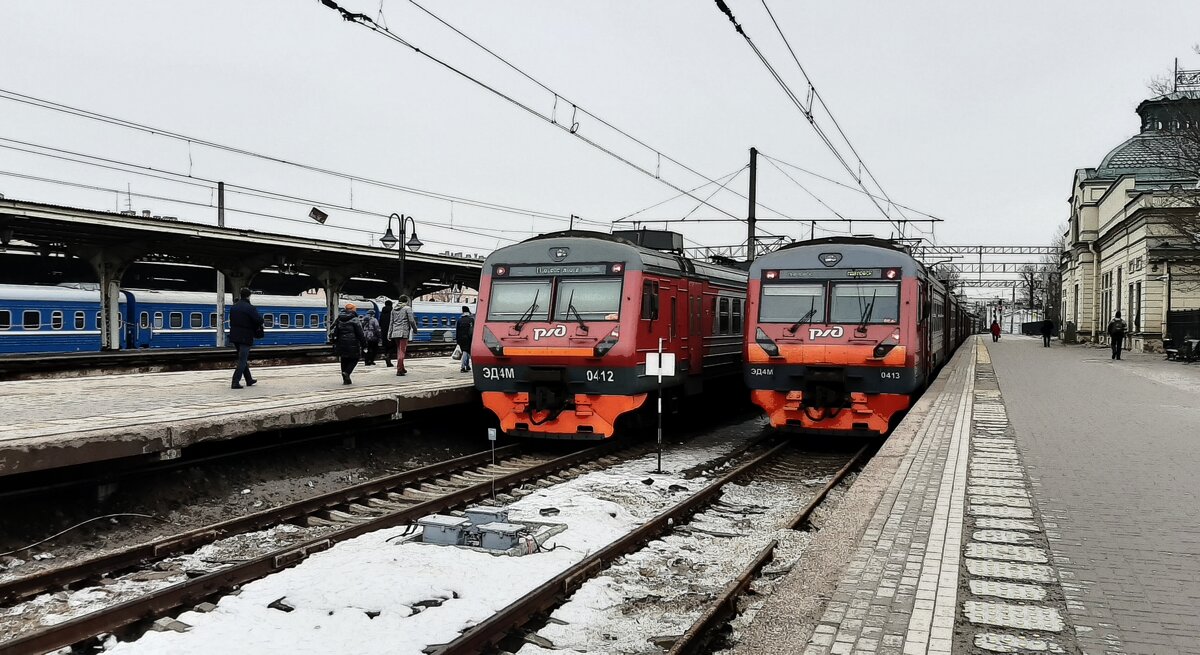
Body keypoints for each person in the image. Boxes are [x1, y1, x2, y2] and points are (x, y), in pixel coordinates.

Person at [228, 287, 264, 389]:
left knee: (242, 358)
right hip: (245, 336)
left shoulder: (234, 307)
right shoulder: (250, 308)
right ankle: (235, 382)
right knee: (242, 360)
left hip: (234, 336)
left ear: (241, 295)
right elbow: (259, 320)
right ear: (249, 296)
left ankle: (249, 379)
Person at [331, 302, 367, 384]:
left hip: (341, 342)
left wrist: (335, 341)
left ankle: (345, 379)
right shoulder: (355, 319)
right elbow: (360, 333)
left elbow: (335, 331)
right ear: (353, 309)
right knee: (355, 358)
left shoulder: (339, 318)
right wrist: (364, 344)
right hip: (352, 342)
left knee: (344, 359)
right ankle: (347, 373)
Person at [387, 295, 418, 376]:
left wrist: (389, 334)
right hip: (403, 332)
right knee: (402, 351)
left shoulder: (393, 309)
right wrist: (415, 329)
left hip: (395, 333)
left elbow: (391, 322)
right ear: (406, 301)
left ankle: (402, 367)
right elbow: (411, 320)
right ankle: (399, 370)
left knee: (399, 350)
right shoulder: (407, 308)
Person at [455, 305, 475, 373]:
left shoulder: (459, 320)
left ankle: (467, 366)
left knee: (466, 352)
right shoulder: (471, 320)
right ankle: (463, 367)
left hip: (461, 339)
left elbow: (457, 331)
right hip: (469, 338)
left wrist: (457, 340)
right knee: (466, 352)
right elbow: (473, 330)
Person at [379, 300, 394, 368]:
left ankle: (387, 358)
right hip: (391, 332)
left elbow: (380, 323)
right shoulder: (392, 312)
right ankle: (388, 356)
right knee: (393, 346)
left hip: (384, 332)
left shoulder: (382, 313)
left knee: (386, 346)